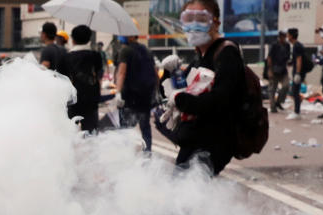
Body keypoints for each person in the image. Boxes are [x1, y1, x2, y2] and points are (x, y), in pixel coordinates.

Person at [172, 0, 248, 174]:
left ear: (215, 22)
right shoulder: (200, 56)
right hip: (194, 141)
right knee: (182, 195)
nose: (193, 25)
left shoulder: (226, 53)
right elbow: (176, 92)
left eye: (200, 18)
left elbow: (221, 99)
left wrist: (181, 100)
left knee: (186, 195)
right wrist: (170, 75)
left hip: (214, 142)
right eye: (188, 19)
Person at [115, 33, 156, 151]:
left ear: (132, 36)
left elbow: (121, 73)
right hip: (145, 97)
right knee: (145, 128)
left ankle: (126, 155)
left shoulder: (125, 51)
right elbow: (155, 73)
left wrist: (118, 92)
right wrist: (155, 93)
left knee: (125, 129)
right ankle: (147, 155)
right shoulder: (147, 50)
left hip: (129, 97)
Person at [64, 25, 104, 132]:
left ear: (73, 39)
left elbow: (62, 80)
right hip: (91, 100)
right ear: (89, 39)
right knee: (91, 135)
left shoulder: (66, 57)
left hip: (72, 101)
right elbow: (99, 76)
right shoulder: (96, 56)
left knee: (70, 134)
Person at [266, 31, 290, 113]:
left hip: (283, 70)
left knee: (286, 86)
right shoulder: (274, 45)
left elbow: (287, 58)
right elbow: (269, 57)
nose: (283, 38)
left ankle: (279, 101)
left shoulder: (287, 45)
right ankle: (273, 107)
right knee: (272, 89)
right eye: (282, 36)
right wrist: (270, 70)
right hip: (274, 69)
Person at [287, 28, 306, 117]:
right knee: (295, 90)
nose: (287, 36)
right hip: (298, 71)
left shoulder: (297, 46)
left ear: (291, 36)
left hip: (298, 72)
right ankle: (297, 109)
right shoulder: (297, 45)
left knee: (295, 90)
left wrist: (297, 73)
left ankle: (297, 111)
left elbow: (299, 60)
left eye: (288, 34)